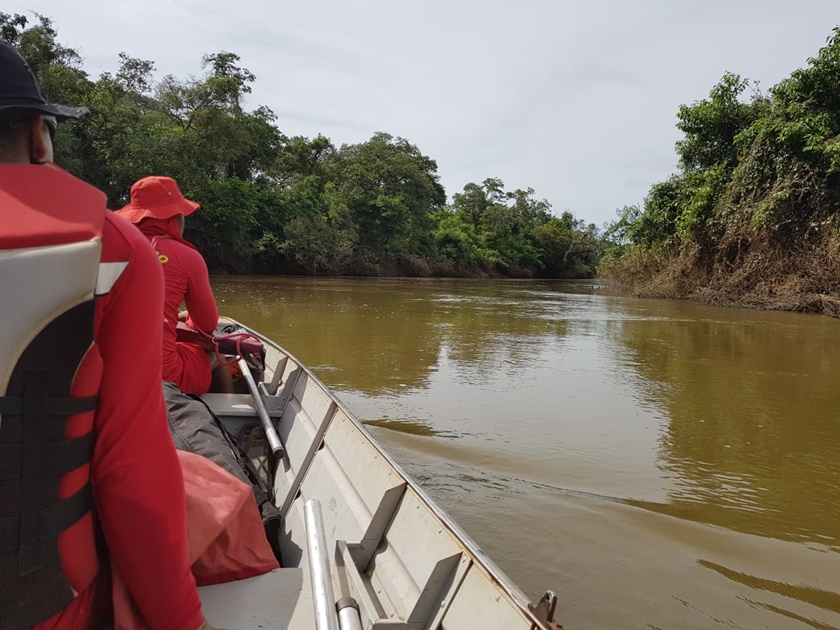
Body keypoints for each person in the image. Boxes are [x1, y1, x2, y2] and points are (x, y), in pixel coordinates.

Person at [0, 40, 214, 630]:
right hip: (45, 601)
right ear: (40, 138)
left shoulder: (126, 240)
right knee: (213, 368)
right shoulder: (116, 252)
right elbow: (129, 470)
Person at [116, 177, 232, 395]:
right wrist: (187, 317)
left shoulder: (107, 249)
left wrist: (172, 316)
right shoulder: (187, 257)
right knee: (217, 355)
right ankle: (226, 424)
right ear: (174, 217)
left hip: (105, 373)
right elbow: (207, 324)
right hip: (164, 377)